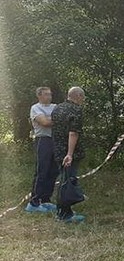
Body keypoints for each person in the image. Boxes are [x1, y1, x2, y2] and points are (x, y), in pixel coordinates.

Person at [51, 86, 87, 223]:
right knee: (68, 181)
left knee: (64, 178)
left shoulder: (57, 108)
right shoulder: (76, 110)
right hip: (69, 152)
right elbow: (73, 133)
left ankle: (63, 211)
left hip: (58, 148)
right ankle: (64, 214)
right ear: (78, 96)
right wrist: (70, 154)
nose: (83, 100)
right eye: (82, 97)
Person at [25, 87, 60, 214]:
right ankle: (34, 202)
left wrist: (53, 120)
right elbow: (44, 122)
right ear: (39, 96)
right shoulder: (35, 108)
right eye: (46, 94)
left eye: (50, 94)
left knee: (53, 171)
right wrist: (57, 120)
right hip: (43, 140)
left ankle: (45, 199)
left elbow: (63, 119)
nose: (49, 97)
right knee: (42, 170)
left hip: (56, 140)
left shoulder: (55, 107)